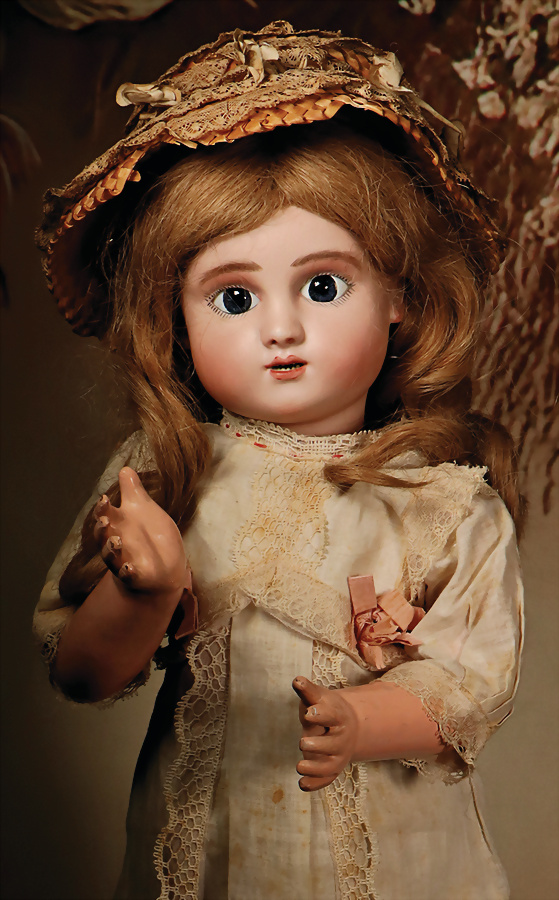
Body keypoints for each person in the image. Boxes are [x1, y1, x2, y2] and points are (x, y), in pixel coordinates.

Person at [33, 21, 524, 900]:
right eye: (232, 296)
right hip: (210, 845)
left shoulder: (439, 500)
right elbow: (80, 674)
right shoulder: (165, 471)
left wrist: (364, 721)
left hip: (390, 854)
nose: (281, 328)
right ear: (174, 319)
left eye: (322, 286)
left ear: (400, 295)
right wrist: (142, 593)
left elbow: (476, 675)